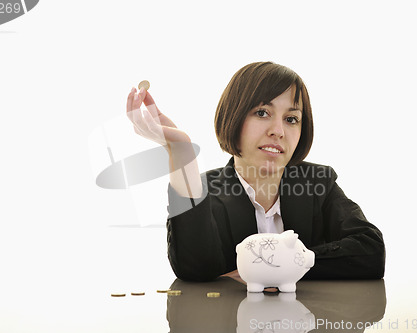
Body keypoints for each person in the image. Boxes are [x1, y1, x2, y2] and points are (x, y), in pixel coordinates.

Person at [126, 61, 385, 282]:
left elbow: (371, 251)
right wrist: (181, 153)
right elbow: (195, 269)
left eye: (291, 118)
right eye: (262, 112)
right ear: (233, 117)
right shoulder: (203, 190)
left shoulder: (319, 181)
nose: (278, 131)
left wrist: (279, 266)